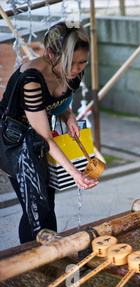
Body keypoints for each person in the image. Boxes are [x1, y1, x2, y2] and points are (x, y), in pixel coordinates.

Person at [0, 22, 98, 243]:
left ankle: (51, 253)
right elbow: (44, 137)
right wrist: (75, 173)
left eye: (82, 62)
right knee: (35, 207)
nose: (75, 69)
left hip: (38, 139)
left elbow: (58, 102)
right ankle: (28, 261)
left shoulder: (74, 72)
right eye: (69, 63)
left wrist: (69, 116)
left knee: (47, 201)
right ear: (51, 54)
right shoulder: (32, 81)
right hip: (15, 142)